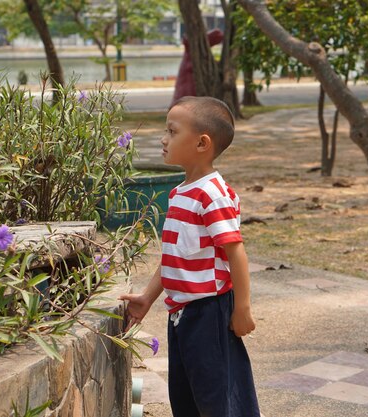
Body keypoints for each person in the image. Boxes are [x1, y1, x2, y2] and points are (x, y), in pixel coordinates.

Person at [120, 96, 260, 417]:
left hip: (209, 313)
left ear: (201, 143)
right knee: (186, 396)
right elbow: (175, 256)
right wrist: (148, 297)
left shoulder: (211, 194)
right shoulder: (181, 192)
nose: (163, 138)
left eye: (171, 131)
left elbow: (235, 252)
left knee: (216, 397)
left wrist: (242, 309)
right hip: (182, 313)